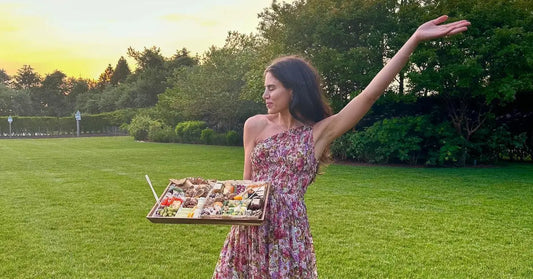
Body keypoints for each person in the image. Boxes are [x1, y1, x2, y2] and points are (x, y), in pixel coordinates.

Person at [212, 15, 470, 278]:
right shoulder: (254, 125)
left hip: (287, 235)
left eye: (272, 88)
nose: (265, 95)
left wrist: (413, 40)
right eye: (264, 89)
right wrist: (211, 203)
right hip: (249, 233)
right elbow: (246, 186)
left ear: (293, 90)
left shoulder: (317, 133)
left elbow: (369, 95)